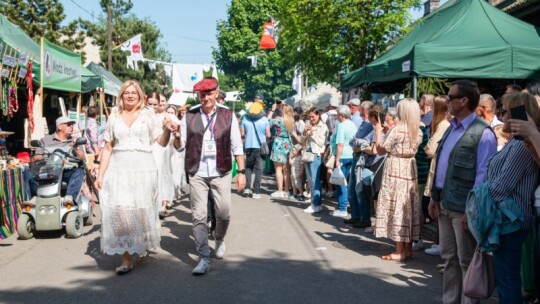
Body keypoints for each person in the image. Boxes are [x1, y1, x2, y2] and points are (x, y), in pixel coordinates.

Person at [95, 80, 176, 274]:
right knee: (122, 214)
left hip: (143, 170)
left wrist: (167, 129)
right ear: (121, 95)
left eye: (134, 93)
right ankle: (125, 259)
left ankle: (139, 248)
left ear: (140, 96)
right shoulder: (113, 116)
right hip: (119, 170)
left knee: (139, 213)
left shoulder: (148, 115)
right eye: (126, 93)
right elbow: (107, 148)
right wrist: (100, 174)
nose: (130, 96)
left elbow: (162, 142)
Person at [428, 80, 497, 304]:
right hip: (445, 203)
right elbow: (441, 166)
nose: (447, 101)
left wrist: (472, 210)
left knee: (466, 260)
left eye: (450, 97)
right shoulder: (451, 128)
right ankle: (450, 301)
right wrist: (434, 197)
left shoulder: (482, 133)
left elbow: (483, 174)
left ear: (464, 101)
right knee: (448, 259)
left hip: (463, 209)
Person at [173, 76, 245, 275]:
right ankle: (204, 256)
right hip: (196, 171)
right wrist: (177, 137)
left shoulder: (228, 115)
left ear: (217, 92)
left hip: (220, 171)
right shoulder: (190, 115)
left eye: (210, 93)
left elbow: (236, 145)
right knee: (198, 216)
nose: (206, 97)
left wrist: (241, 172)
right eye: (202, 94)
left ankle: (219, 238)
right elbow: (180, 147)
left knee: (223, 212)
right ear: (198, 94)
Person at [487, 92, 540, 303]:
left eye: (505, 111)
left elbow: (502, 185)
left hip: (512, 218)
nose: (500, 116)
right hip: (512, 215)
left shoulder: (521, 143)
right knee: (509, 278)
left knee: (508, 280)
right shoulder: (520, 141)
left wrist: (479, 202)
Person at [374, 98, 423, 261]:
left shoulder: (396, 130)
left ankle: (399, 251)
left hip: (395, 166)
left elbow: (381, 150)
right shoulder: (419, 130)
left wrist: (378, 132)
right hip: (410, 167)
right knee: (408, 207)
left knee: (396, 206)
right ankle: (407, 249)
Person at [30, 117, 87, 204]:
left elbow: (83, 158)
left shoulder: (74, 140)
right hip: (48, 170)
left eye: (72, 125)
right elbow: (36, 158)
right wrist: (41, 157)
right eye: (68, 125)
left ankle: (70, 198)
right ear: (59, 127)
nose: (71, 127)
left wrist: (75, 147)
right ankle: (35, 197)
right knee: (28, 173)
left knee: (79, 172)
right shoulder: (45, 140)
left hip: (66, 171)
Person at [423, 95, 451, 256]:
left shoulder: (443, 124)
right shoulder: (444, 124)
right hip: (438, 169)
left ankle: (443, 246)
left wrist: (429, 147)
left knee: (438, 209)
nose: (431, 109)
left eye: (433, 106)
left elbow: (430, 149)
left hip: (439, 171)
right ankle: (440, 243)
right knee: (437, 209)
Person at [345, 101, 374, 227]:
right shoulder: (363, 124)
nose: (360, 113)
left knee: (359, 189)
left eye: (362, 111)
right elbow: (355, 141)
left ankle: (364, 218)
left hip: (362, 159)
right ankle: (356, 215)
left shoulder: (370, 125)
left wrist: (358, 145)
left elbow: (363, 143)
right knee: (352, 189)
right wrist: (357, 144)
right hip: (356, 157)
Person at [149, 92, 175, 218]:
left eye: (157, 103)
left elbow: (171, 137)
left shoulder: (167, 117)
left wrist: (167, 131)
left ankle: (163, 203)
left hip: (163, 149)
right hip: (152, 149)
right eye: (151, 104)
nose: (154, 106)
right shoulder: (147, 115)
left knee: (164, 175)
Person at [241, 98, 270, 199]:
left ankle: (247, 189)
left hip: (248, 146)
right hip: (260, 147)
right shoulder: (265, 119)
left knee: (248, 168)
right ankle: (256, 191)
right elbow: (268, 134)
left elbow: (242, 134)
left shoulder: (245, 119)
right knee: (259, 170)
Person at [330, 105, 357, 217]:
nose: (337, 117)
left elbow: (340, 144)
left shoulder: (341, 126)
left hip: (343, 156)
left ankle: (342, 208)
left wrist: (337, 159)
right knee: (350, 183)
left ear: (341, 115)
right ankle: (348, 205)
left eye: (337, 115)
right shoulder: (352, 124)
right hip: (352, 155)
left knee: (340, 182)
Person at [302, 107, 328, 213]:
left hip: (316, 154)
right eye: (310, 117)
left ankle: (316, 204)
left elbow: (321, 143)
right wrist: (305, 132)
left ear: (318, 115)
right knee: (310, 180)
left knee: (315, 180)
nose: (311, 119)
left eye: (313, 116)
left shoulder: (323, 127)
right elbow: (302, 139)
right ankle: (314, 202)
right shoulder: (311, 125)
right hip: (307, 153)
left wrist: (312, 133)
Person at [267, 103, 294, 198]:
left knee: (278, 169)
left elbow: (267, 121)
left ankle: (280, 191)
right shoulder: (291, 121)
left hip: (278, 143)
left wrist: (273, 109)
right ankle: (287, 190)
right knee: (286, 169)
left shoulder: (278, 120)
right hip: (288, 144)